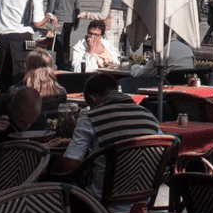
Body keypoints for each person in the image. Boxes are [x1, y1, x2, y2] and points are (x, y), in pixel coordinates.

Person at [53, 73, 162, 205]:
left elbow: (70, 165)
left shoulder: (91, 117)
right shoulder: (148, 115)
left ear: (92, 100)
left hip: (101, 202)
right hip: (143, 201)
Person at [0, 0, 47, 89]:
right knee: (23, 80)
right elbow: (37, 22)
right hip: (22, 39)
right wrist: (48, 17)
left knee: (4, 83)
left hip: (3, 38)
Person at [46, 0, 83, 72]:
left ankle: (60, 63)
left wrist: (48, 19)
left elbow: (50, 6)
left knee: (58, 42)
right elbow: (77, 7)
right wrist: (77, 22)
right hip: (70, 19)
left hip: (57, 20)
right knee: (67, 42)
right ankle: (66, 61)